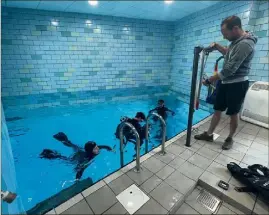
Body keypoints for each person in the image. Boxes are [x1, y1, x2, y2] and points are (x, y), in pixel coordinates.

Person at [194, 15, 257, 150]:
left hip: (237, 84)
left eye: (225, 34)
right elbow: (229, 53)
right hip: (225, 82)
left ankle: (230, 138)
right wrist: (217, 46)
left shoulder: (245, 44)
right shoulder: (236, 41)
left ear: (235, 28)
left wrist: (210, 79)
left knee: (233, 113)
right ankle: (209, 134)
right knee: (217, 109)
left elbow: (229, 69)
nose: (224, 37)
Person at [40, 132, 114, 180]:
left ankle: (64, 140)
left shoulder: (95, 149)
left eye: (97, 147)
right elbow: (81, 169)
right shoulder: (87, 158)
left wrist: (111, 149)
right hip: (77, 156)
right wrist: (77, 180)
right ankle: (52, 155)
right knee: (67, 160)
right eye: (95, 148)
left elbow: (105, 146)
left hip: (81, 150)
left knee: (73, 146)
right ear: (91, 151)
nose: (98, 149)